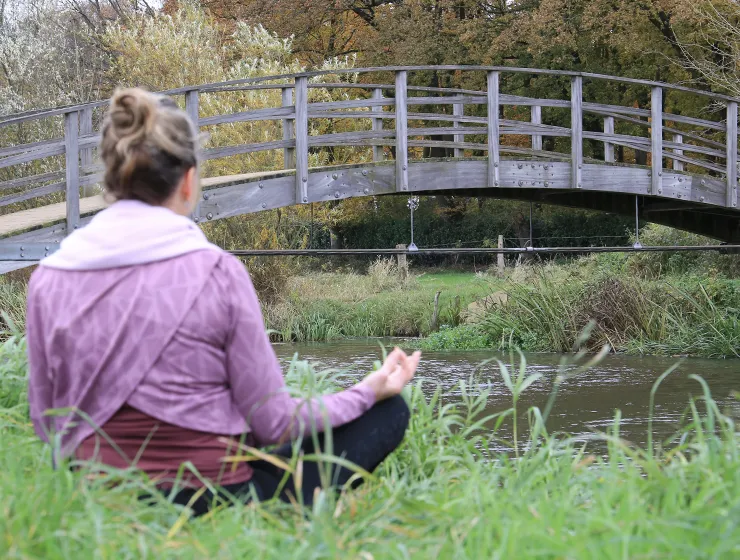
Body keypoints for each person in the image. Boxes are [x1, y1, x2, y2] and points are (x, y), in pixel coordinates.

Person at [26, 88, 421, 516]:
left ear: (111, 180)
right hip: (213, 500)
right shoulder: (217, 272)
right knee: (389, 411)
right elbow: (274, 423)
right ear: (190, 180)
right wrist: (368, 390)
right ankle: (284, 514)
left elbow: (47, 421)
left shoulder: (50, 278)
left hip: (100, 500)